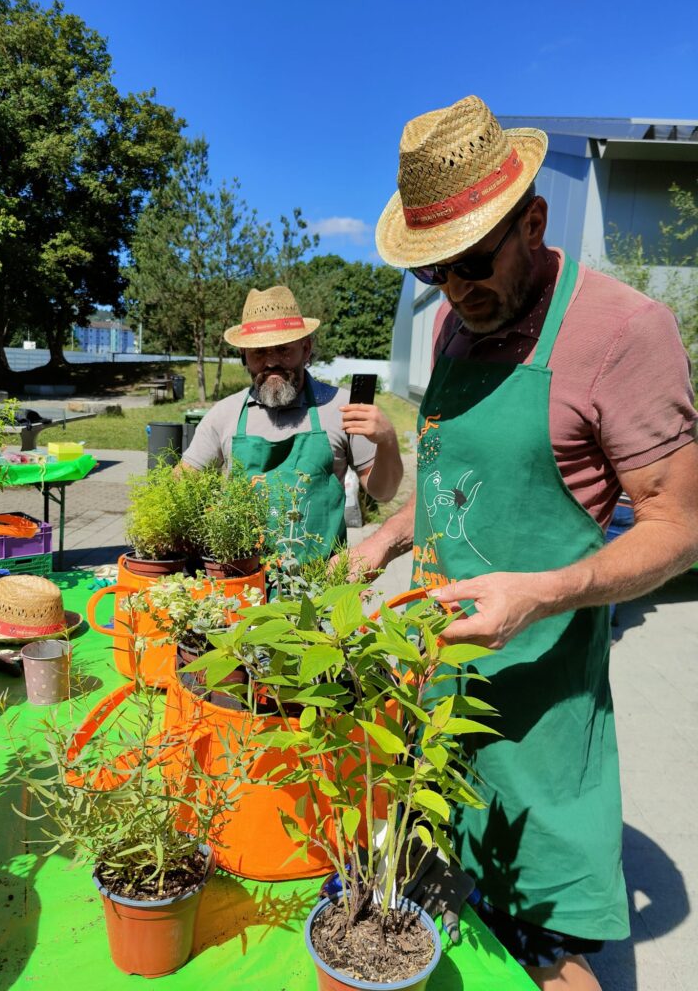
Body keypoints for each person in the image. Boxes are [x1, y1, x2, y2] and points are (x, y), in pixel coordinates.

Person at [353, 95, 698, 990]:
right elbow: (457, 474)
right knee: (444, 917)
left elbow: (681, 528)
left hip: (541, 711)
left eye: (473, 262)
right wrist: (392, 532)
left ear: (534, 222)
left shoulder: (624, 333)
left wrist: (540, 592)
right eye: (438, 273)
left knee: (548, 950)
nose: (458, 290)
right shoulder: (452, 326)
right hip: (436, 685)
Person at [180, 284, 403, 561]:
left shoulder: (341, 408)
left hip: (320, 588)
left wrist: (388, 440)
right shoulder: (225, 414)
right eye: (259, 352)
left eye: (283, 349)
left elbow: (383, 492)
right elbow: (182, 485)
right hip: (243, 584)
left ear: (306, 348)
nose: (272, 361)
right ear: (244, 357)